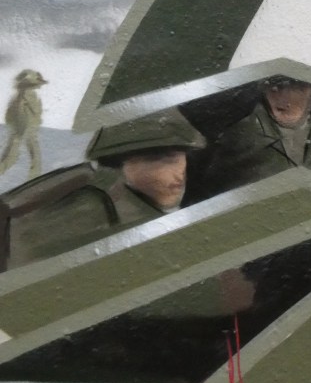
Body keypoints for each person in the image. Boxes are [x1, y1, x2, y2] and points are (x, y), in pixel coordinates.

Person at [1, 108, 206, 269]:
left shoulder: (124, 206)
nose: (180, 174)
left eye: (181, 158)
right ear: (122, 162)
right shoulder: (88, 207)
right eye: (164, 159)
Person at [198, 76, 311, 198]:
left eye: (296, 87)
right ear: (264, 88)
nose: (285, 98)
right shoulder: (237, 138)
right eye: (275, 85)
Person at [0, 69, 48, 179]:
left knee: (18, 151)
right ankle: (35, 176)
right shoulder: (28, 94)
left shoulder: (22, 94)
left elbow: (11, 114)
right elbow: (33, 112)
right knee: (19, 152)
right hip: (26, 127)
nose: (39, 86)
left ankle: (34, 175)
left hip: (25, 127)